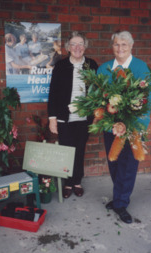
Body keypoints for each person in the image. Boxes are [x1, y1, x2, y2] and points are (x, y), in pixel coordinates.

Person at [97, 31, 151, 224]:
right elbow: (98, 97)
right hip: (111, 126)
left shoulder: (140, 67)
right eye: (116, 44)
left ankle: (121, 203)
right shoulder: (104, 69)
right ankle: (118, 196)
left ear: (131, 46)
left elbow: (147, 99)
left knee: (128, 166)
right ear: (112, 46)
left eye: (124, 45)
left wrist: (133, 123)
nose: (119, 48)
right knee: (113, 162)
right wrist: (108, 120)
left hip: (133, 127)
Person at [48, 31, 98, 199]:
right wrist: (52, 119)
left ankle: (77, 182)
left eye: (81, 44)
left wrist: (97, 115)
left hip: (84, 119)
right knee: (67, 151)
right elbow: (53, 94)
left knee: (80, 150)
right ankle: (67, 183)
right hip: (64, 118)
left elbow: (97, 92)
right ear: (68, 48)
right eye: (74, 44)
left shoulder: (92, 65)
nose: (77, 48)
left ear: (85, 47)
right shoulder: (61, 66)